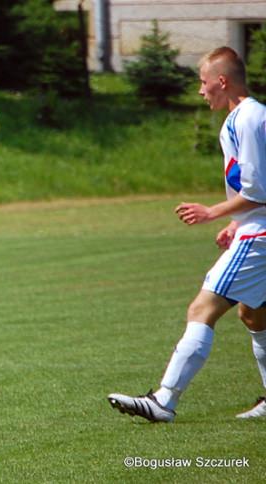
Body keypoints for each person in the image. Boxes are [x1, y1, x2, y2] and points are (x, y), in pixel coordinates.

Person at [108, 47, 266, 422]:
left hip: (260, 237)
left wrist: (213, 212)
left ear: (222, 81)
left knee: (201, 309)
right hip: (254, 228)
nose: (200, 90)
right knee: (254, 316)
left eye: (203, 81)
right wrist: (235, 221)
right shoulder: (245, 117)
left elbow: (259, 189)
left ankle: (164, 400)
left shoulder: (249, 117)